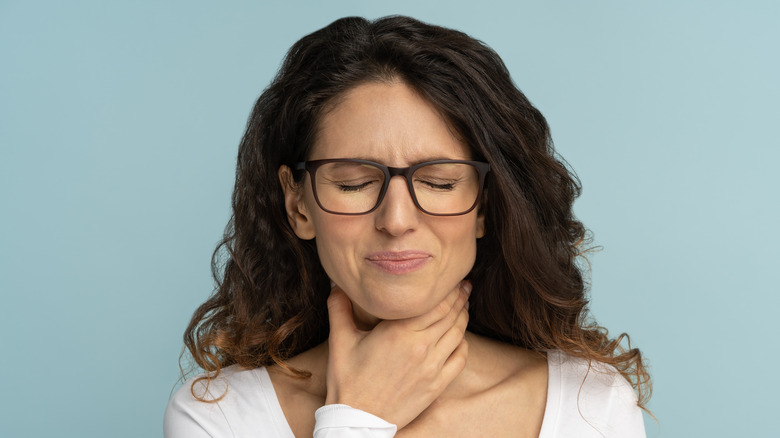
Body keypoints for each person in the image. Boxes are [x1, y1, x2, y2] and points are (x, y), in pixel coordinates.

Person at [164, 15, 651, 438]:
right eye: (354, 184)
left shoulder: (592, 406)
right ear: (299, 205)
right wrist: (356, 418)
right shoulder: (219, 416)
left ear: (483, 206)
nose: (396, 221)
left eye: (439, 182)